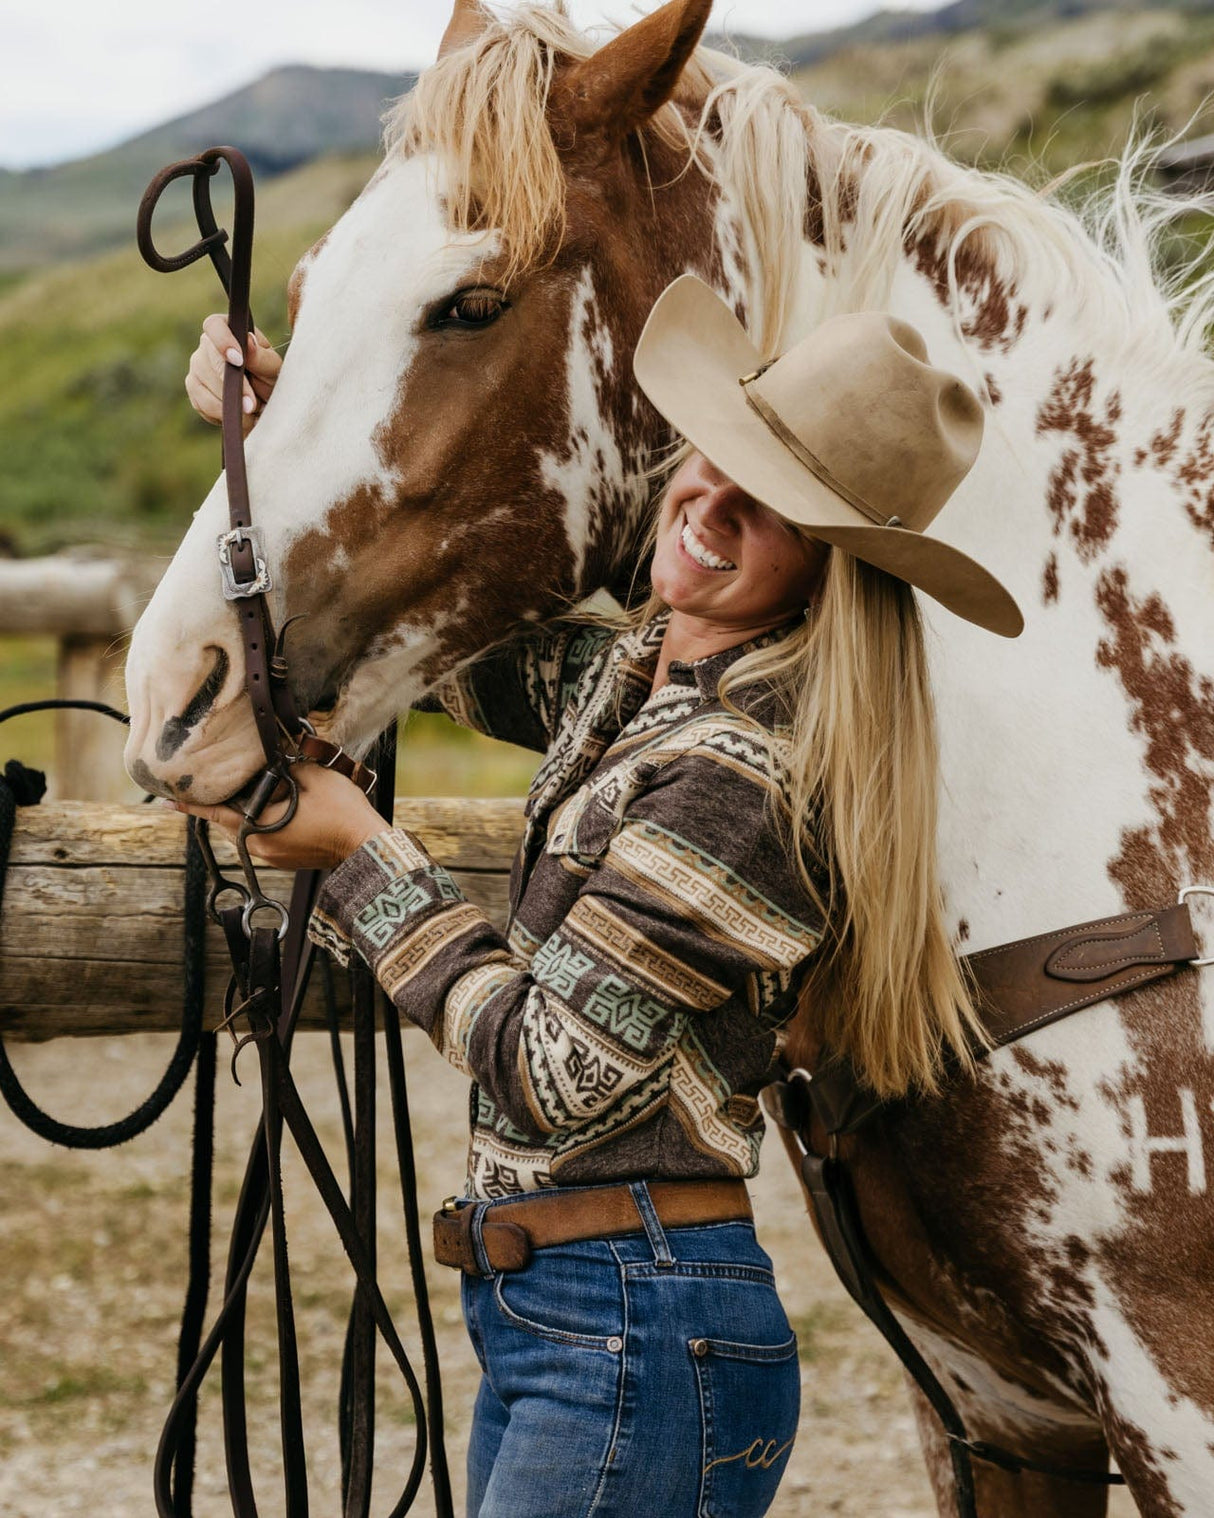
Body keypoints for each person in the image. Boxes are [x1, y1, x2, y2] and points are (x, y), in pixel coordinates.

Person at [176, 273, 1022, 1517]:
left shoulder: (744, 772)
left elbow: (553, 1073)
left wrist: (356, 851)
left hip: (631, 1317)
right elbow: (436, 637)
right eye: (718, 462)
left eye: (771, 508)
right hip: (584, 1312)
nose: (711, 507)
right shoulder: (642, 678)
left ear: (828, 568)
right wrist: (291, 424)